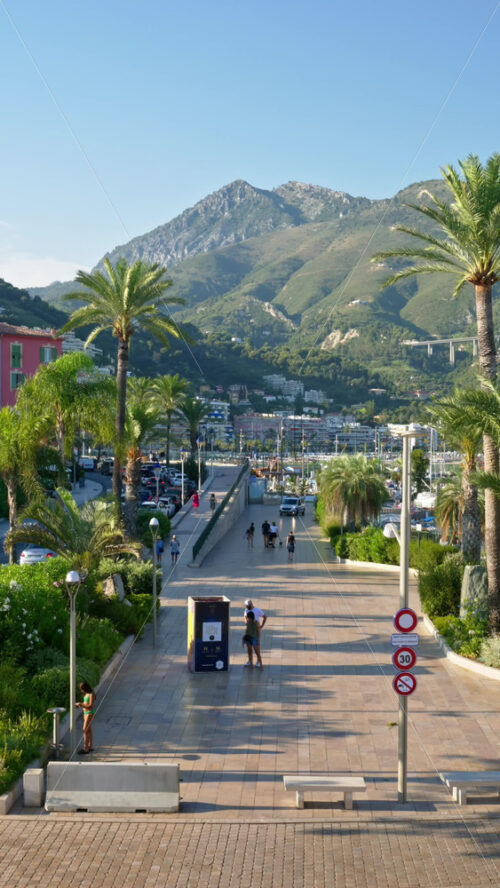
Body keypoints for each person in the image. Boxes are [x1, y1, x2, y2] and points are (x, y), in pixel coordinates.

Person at [75, 681, 95, 754]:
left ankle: (85, 748)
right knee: (89, 730)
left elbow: (90, 706)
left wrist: (81, 704)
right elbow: (86, 704)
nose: (81, 691)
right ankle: (91, 746)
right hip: (85, 713)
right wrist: (80, 705)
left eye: (82, 689)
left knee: (85, 730)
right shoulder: (86, 694)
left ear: (85, 688)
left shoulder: (91, 694)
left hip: (89, 713)